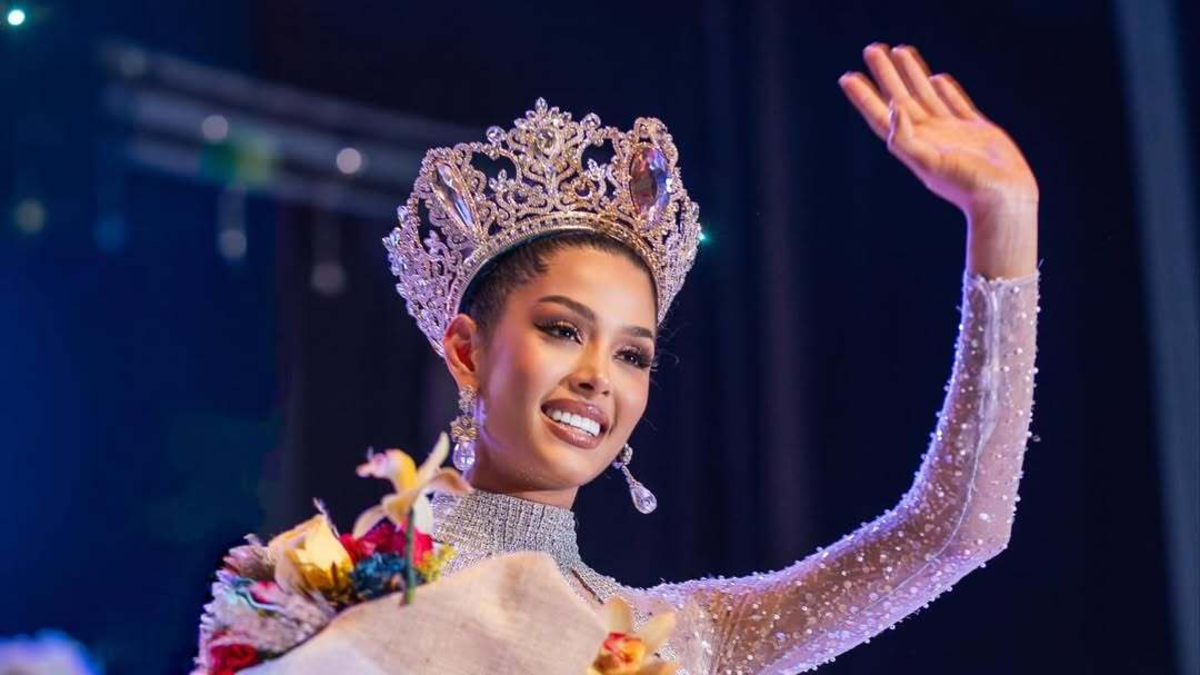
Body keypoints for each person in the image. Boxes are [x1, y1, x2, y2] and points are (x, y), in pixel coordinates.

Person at [197, 42, 1041, 674]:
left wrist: (1003, 224)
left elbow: (952, 532)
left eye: (633, 352)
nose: (600, 373)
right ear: (465, 349)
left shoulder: (680, 636)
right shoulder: (329, 593)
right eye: (563, 329)